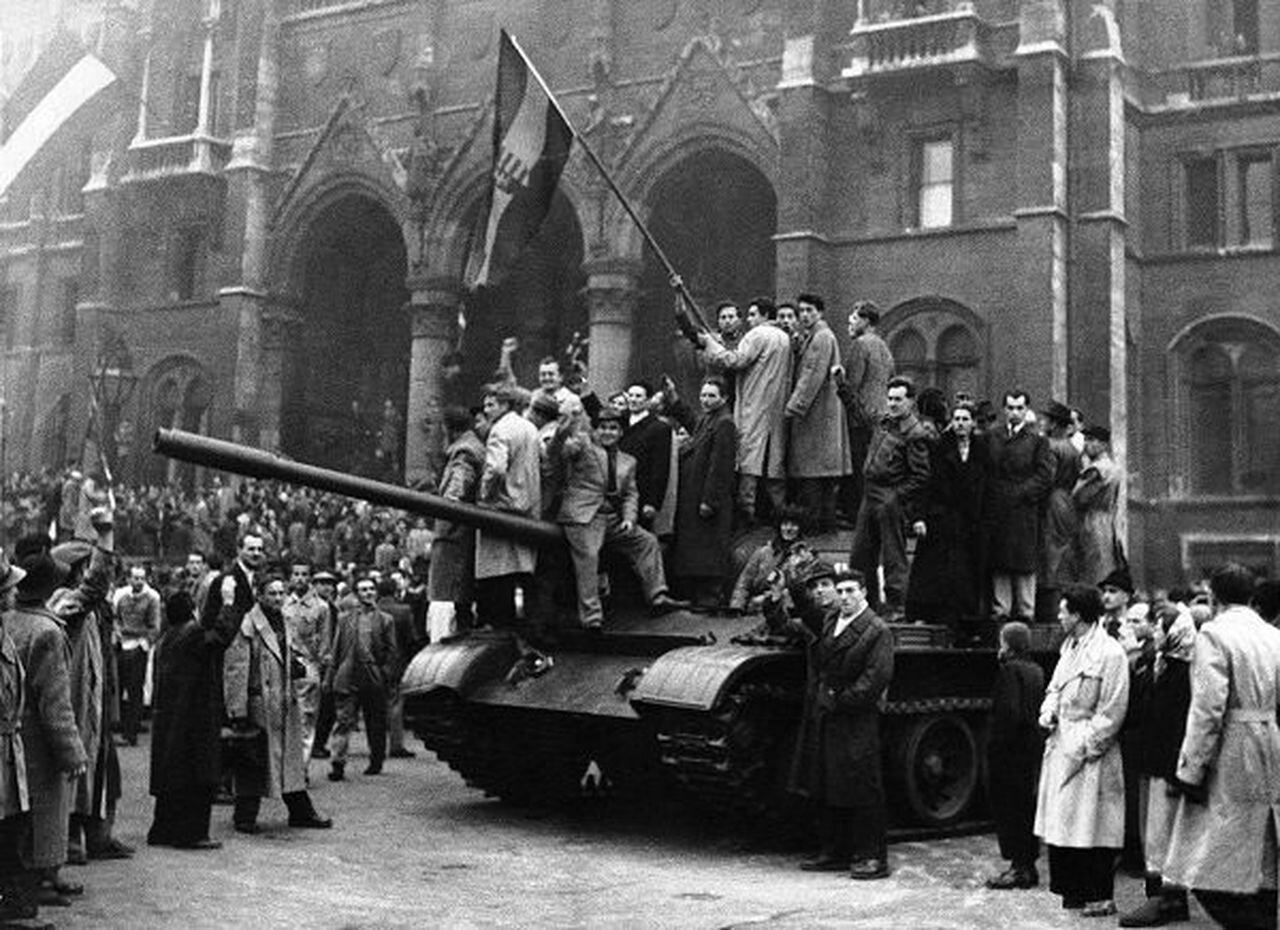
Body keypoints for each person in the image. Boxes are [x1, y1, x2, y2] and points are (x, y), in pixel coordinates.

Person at [1163, 563, 1280, 930]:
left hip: (1232, 745)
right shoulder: (1272, 634)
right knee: (1263, 843)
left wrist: (1191, 768)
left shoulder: (1214, 634)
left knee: (1211, 853)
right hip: (1270, 738)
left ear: (1214, 596)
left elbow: (1208, 709)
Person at [784, 565, 894, 880]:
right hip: (830, 714)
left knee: (862, 786)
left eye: (851, 591)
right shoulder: (832, 620)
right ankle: (834, 851)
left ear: (864, 594)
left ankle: (871, 856)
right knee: (830, 783)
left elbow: (876, 678)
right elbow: (807, 617)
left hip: (855, 717)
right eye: (841, 590)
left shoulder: (877, 630)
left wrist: (839, 699)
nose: (844, 596)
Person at [1034, 583, 1129, 917]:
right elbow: (1055, 687)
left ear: (1078, 615)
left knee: (1094, 825)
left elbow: (1112, 711)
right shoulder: (1069, 648)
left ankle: (1100, 895)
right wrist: (1048, 711)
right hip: (1063, 742)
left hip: (1091, 754)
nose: (1059, 616)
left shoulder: (1110, 653)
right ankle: (1073, 890)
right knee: (1065, 824)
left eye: (1063, 611)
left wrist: (1086, 745)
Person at [8, 548, 87, 908]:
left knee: (22, 811)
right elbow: (55, 701)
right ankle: (41, 877)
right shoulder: (47, 631)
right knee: (48, 809)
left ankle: (41, 876)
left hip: (15, 732)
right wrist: (71, 752)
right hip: (41, 738)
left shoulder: (10, 619)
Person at [556, 408, 683, 631]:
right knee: (588, 555)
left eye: (613, 428)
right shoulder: (583, 449)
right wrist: (565, 430)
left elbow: (631, 494)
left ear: (621, 432)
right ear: (595, 430)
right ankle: (591, 617)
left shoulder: (628, 461)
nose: (608, 432)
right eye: (603, 427)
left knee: (647, 542)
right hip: (584, 516)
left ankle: (657, 595)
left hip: (612, 518)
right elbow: (561, 451)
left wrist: (629, 519)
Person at [223, 575, 332, 834]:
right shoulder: (249, 624)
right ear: (259, 595)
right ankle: (244, 816)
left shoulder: (284, 620)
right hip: (260, 703)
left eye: (281, 593)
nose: (277, 597)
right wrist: (237, 709)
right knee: (254, 760)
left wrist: (295, 666)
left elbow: (288, 653)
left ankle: (300, 811)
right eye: (271, 593)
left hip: (283, 701)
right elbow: (235, 669)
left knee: (288, 760)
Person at [1118, 603, 1195, 928]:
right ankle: (1160, 894)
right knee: (1154, 830)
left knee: (1165, 831)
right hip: (1154, 759)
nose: (1156, 633)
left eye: (1162, 628)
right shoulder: (1160, 665)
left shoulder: (1183, 673)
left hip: (1168, 761)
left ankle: (1167, 898)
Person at [147, 589, 236, 850]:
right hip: (194, 720)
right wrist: (228, 604)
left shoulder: (167, 638)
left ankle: (162, 831)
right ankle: (192, 834)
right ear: (191, 611)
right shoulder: (192, 634)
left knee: (170, 778)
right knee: (197, 776)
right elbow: (221, 637)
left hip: (170, 719)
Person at [698, 297, 792, 524]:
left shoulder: (757, 335)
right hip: (775, 406)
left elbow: (735, 360)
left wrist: (711, 344)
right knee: (773, 464)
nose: (748, 320)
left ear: (763, 316)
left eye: (752, 314)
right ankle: (783, 514)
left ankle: (746, 515)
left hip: (754, 404)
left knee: (749, 461)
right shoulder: (784, 338)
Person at [848, 376, 931, 620]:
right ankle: (867, 605)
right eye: (890, 398)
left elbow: (921, 475)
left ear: (910, 402)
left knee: (894, 555)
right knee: (861, 553)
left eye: (898, 399)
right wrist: (843, 386)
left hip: (890, 495)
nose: (893, 404)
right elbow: (859, 413)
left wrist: (896, 496)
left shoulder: (915, 434)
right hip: (870, 492)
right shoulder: (884, 422)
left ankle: (897, 607)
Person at [904, 401, 989, 630]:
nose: (960, 424)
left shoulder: (982, 449)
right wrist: (919, 517)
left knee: (964, 572)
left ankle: (961, 618)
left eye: (965, 419)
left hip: (970, 522)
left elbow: (988, 485)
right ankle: (926, 613)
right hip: (941, 519)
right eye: (957, 419)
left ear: (973, 423)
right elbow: (925, 484)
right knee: (933, 571)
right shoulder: (939, 448)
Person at [984, 621, 1045, 890]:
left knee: (1010, 808)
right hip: (1030, 749)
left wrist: (996, 744)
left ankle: (1019, 868)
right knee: (1025, 807)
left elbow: (1009, 713)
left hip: (1010, 752)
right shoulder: (1035, 669)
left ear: (1007, 644)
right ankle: (1027, 866)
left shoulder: (1009, 670)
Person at [475, 383, 541, 627]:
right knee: (521, 575)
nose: (487, 411)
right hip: (528, 511)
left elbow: (496, 468)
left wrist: (485, 496)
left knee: (496, 579)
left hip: (502, 510)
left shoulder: (500, 430)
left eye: (491, 405)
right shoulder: (530, 428)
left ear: (505, 404)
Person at [985, 390, 1053, 622]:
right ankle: (1000, 611)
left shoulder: (1037, 441)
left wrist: (1022, 492)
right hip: (997, 510)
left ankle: (1026, 612)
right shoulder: (992, 437)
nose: (1014, 413)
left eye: (1019, 408)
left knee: (1024, 561)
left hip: (1024, 510)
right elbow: (985, 470)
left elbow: (1044, 475)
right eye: (1010, 408)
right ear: (1004, 410)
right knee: (1000, 561)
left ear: (1026, 410)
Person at [670, 376, 738, 606]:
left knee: (708, 552)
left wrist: (710, 500)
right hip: (695, 495)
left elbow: (721, 465)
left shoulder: (725, 423)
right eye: (703, 395)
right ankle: (699, 596)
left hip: (708, 498)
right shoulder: (709, 420)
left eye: (711, 396)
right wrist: (675, 401)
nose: (706, 400)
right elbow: (693, 423)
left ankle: (710, 596)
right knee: (696, 550)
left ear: (724, 398)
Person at [786, 294, 852, 530]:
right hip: (821, 414)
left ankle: (816, 525)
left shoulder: (821, 338)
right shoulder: (817, 336)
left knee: (813, 474)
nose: (804, 315)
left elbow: (811, 375)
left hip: (816, 415)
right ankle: (825, 523)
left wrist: (794, 406)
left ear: (820, 313)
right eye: (801, 311)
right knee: (821, 475)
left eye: (809, 310)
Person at [0, 553, 40, 925]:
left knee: (9, 827)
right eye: (9, 586)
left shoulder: (4, 631)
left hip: (7, 749)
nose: (15, 590)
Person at [326, 577, 397, 781]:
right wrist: (331, 676)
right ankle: (337, 763)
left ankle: (376, 760)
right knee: (343, 721)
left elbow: (392, 651)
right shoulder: (345, 619)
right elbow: (336, 648)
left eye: (371, 589)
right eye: (363, 590)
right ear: (357, 593)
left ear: (376, 592)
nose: (368, 593)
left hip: (373, 676)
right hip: (348, 675)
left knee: (376, 721)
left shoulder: (385, 620)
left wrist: (385, 673)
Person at [427, 406, 486, 640]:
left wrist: (443, 503)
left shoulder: (465, 452)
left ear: (449, 430)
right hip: (459, 535)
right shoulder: (471, 447)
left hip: (456, 536)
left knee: (452, 598)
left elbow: (456, 492)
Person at [835, 300, 895, 513]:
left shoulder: (861, 345)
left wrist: (838, 379)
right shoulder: (884, 346)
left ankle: (857, 514)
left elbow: (852, 385)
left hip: (861, 417)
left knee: (859, 468)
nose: (850, 324)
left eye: (854, 319)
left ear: (866, 320)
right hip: (881, 418)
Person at [281, 562, 330, 764]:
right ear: (291, 577)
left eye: (304, 574)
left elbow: (325, 641)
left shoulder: (321, 607)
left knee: (306, 719)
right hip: (284, 666)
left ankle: (302, 768)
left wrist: (320, 669)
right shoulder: (283, 603)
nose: (300, 578)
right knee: (285, 718)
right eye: (296, 574)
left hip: (308, 666)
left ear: (310, 578)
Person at [112, 564, 161, 746]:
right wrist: (117, 634)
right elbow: (116, 617)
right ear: (129, 579)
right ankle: (124, 728)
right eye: (135, 578)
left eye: (141, 578)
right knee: (121, 688)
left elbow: (155, 627)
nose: (138, 581)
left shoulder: (151, 599)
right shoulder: (123, 597)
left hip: (138, 646)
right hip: (122, 645)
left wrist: (144, 645)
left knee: (135, 689)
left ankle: (132, 732)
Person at [617, 381, 674, 534]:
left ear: (648, 400)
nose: (633, 399)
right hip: (617, 492)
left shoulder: (659, 428)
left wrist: (653, 502)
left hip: (642, 494)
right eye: (630, 395)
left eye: (638, 396)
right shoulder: (619, 423)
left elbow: (660, 466)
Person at [730, 505, 807, 613]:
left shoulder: (806, 556)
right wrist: (737, 605)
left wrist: (767, 599)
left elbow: (801, 590)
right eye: (785, 524)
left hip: (784, 610)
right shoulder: (763, 552)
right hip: (754, 608)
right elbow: (745, 580)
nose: (788, 529)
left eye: (793, 525)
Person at [1039, 401, 1081, 597]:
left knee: (1050, 548)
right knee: (1063, 547)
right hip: (1067, 500)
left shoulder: (1050, 446)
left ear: (1054, 424)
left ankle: (1050, 595)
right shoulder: (1071, 447)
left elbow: (1048, 477)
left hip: (1052, 500)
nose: (1042, 422)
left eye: (1045, 419)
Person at [1073, 425, 1123, 585]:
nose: (1087, 444)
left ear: (1103, 444)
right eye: (1086, 440)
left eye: (1092, 440)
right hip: (1108, 523)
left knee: (1091, 570)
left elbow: (1078, 497)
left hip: (1090, 522)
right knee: (1106, 565)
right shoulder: (1113, 467)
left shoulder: (1096, 470)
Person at [376, 577, 418, 759]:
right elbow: (411, 639)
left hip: (373, 662)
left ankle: (376, 745)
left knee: (375, 704)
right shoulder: (404, 611)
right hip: (396, 661)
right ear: (395, 591)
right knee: (395, 703)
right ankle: (395, 744)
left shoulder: (371, 610)